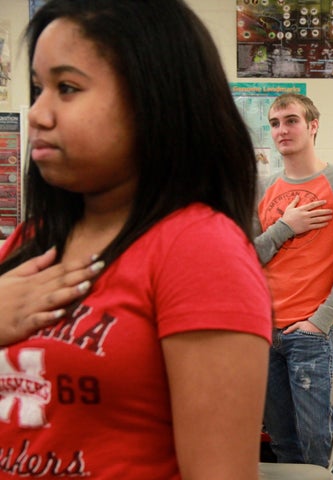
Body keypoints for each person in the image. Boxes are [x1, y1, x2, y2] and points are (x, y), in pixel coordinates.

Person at [0, 1, 272, 478]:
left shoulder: (199, 249)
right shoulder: (34, 239)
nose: (38, 113)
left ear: (154, 99)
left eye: (67, 88)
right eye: (39, 89)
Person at [254, 93, 333, 479]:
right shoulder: (266, 189)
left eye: (291, 120)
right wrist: (286, 226)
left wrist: (320, 321)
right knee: (283, 445)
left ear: (312, 126)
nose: (282, 130)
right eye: (274, 123)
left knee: (319, 446)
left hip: (309, 336)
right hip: (266, 334)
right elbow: (247, 259)